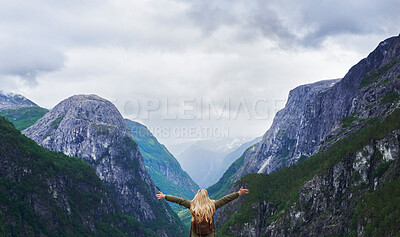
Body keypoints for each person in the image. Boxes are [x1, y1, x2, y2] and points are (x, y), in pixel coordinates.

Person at [155, 187, 249, 237]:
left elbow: (179, 200)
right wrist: (238, 193)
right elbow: (225, 199)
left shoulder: (192, 205)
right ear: (207, 197)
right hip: (209, 232)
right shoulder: (213, 205)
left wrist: (165, 196)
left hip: (196, 232)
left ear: (197, 196)